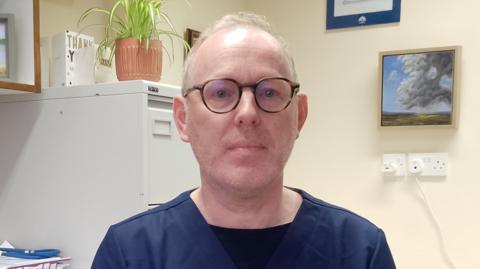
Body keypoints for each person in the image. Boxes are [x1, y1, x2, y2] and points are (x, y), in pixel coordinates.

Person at [91, 12, 396, 269]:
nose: (248, 113)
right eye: (221, 93)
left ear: (299, 116)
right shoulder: (129, 255)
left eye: (269, 92)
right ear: (183, 119)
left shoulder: (360, 252)